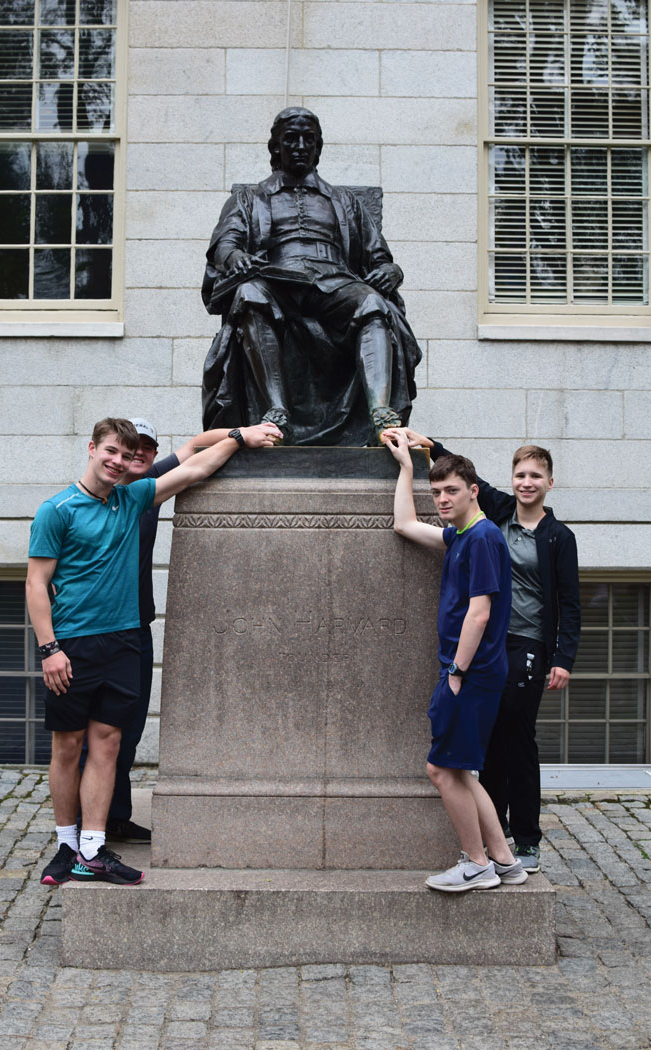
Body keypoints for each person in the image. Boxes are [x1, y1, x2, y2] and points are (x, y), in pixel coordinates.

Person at [28, 417, 280, 887]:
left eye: (126, 456)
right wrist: (49, 649)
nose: (119, 462)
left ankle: (92, 849)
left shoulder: (135, 497)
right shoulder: (56, 510)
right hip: (73, 644)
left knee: (107, 745)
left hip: (124, 640)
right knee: (67, 747)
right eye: (112, 452)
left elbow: (192, 470)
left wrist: (240, 437)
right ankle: (65, 844)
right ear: (92, 449)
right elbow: (36, 584)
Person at [387, 429, 581, 872]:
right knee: (482, 749)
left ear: (550, 482)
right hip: (492, 646)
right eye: (520, 474)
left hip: (516, 647)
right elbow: (449, 488)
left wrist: (562, 658)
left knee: (514, 739)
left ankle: (515, 845)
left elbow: (566, 602)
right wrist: (424, 449)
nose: (526, 482)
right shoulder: (495, 519)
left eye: (536, 475)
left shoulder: (545, 536)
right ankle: (502, 850)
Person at [104, 417, 281, 844]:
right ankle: (83, 827)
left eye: (146, 447)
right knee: (95, 738)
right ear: (110, 453)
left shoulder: (150, 486)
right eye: (130, 449)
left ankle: (115, 817)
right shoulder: (94, 499)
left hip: (137, 627)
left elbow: (196, 448)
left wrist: (245, 434)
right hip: (96, 633)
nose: (139, 454)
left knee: (126, 731)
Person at [201, 107, 421, 446]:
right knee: (249, 295)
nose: (301, 146)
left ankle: (381, 414)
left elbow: (379, 257)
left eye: (309, 140)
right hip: (276, 282)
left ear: (319, 148)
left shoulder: (344, 200)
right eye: (291, 139)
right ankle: (276, 413)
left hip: (335, 282)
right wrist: (235, 256)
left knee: (374, 303)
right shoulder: (249, 198)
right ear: (275, 148)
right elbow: (224, 245)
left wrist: (393, 270)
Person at [384, 431, 526, 891]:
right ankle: (504, 859)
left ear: (474, 492)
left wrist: (457, 673)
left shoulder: (483, 537)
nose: (442, 499)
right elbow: (405, 524)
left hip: (472, 673)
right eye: (437, 491)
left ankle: (476, 863)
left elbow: (480, 612)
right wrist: (408, 469)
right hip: (473, 673)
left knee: (442, 770)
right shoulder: (461, 535)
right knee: (462, 770)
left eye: (451, 491)